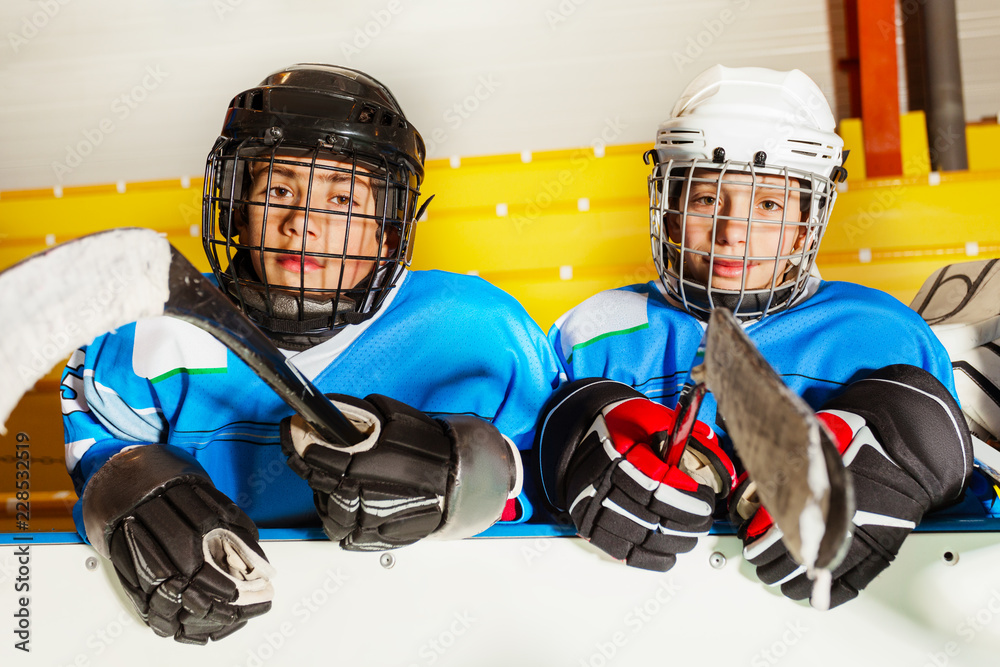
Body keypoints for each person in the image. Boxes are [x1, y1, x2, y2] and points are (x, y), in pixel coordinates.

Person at [61, 64, 560, 644]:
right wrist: (130, 486)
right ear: (238, 212)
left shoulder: (479, 328)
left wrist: (468, 474)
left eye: (343, 198)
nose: (303, 225)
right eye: (278, 191)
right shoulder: (148, 329)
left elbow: (553, 482)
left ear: (389, 232)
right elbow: (103, 461)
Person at [535, 65, 973, 608]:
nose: (732, 230)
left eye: (768, 204)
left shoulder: (881, 330)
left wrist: (911, 443)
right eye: (704, 199)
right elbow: (526, 494)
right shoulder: (594, 328)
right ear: (670, 211)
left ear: (806, 219)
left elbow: (965, 508)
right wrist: (573, 435)